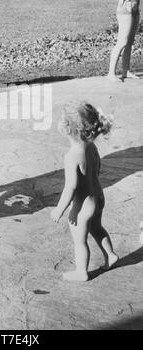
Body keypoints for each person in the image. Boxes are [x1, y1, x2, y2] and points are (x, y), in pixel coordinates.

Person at [51, 101, 119, 282]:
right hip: (98, 196)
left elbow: (70, 187)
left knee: (79, 241)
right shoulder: (92, 148)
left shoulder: (72, 156)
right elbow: (96, 169)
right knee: (97, 228)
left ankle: (81, 272)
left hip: (83, 205)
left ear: (68, 130)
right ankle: (110, 255)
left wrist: (60, 209)